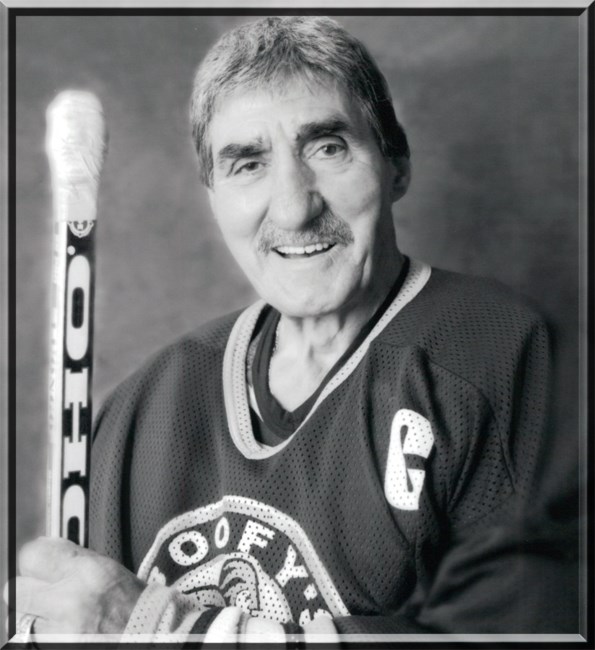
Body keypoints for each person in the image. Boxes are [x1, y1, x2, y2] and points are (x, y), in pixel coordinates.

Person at [9, 16, 577, 642]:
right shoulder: (141, 413)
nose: (293, 206)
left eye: (327, 148)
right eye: (247, 164)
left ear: (396, 164)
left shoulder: (502, 360)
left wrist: (164, 628)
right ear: (213, 195)